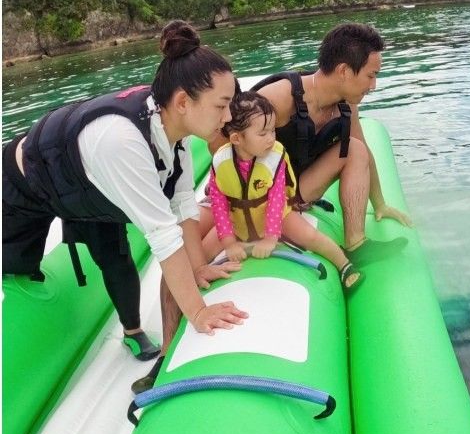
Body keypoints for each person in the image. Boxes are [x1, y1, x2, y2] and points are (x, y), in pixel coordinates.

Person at [2, 20, 248, 367]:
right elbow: (162, 235)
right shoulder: (124, 141)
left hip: (91, 188)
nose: (227, 118)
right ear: (182, 101)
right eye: (221, 105)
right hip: (27, 182)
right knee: (12, 266)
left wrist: (197, 266)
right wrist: (198, 311)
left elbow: (181, 206)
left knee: (115, 257)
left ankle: (132, 332)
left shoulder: (176, 137)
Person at [252, 22, 412, 266]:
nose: (373, 86)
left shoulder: (347, 105)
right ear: (344, 71)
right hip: (260, 198)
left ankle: (356, 244)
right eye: (371, 75)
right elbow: (225, 144)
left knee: (355, 148)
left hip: (297, 191)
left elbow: (363, 152)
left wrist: (380, 204)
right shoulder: (279, 98)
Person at [202, 91, 365, 294]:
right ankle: (196, 280)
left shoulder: (275, 158)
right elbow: (218, 203)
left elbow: (277, 199)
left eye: (272, 131)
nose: (271, 139)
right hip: (237, 221)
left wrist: (270, 238)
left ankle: (343, 265)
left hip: (277, 217)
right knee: (201, 253)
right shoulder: (221, 162)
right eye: (263, 134)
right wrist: (229, 242)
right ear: (236, 138)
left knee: (310, 236)